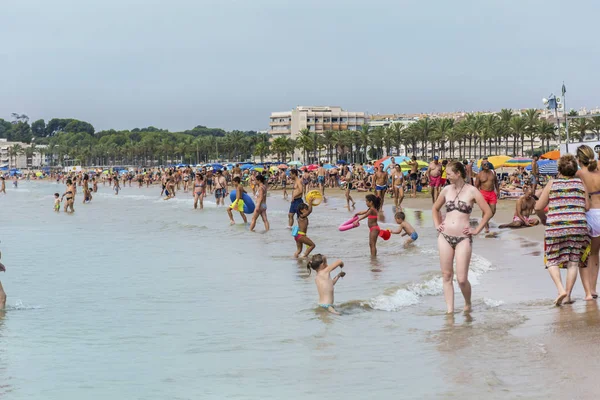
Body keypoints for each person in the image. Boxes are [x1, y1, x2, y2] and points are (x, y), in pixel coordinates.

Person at [433, 161, 492, 313]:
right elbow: (435, 208)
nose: (446, 176)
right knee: (446, 275)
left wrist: (477, 229)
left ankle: (467, 303)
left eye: (449, 173)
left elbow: (487, 212)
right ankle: (450, 311)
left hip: (463, 238)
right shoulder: (446, 190)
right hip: (444, 236)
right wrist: (437, 224)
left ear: (458, 173)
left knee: (461, 279)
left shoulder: (472, 191)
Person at [535, 154, 590, 306]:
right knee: (573, 262)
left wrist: (544, 219)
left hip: (556, 226)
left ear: (559, 169)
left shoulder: (552, 183)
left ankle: (560, 290)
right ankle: (568, 296)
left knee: (552, 260)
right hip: (578, 226)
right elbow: (586, 207)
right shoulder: (580, 184)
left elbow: (538, 207)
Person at [575, 145, 600, 300]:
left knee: (584, 255)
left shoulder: (579, 173)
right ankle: (594, 288)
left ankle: (588, 292)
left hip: (589, 215)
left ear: (579, 159)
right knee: (595, 253)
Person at [475, 160, 499, 233]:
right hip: (483, 193)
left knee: (493, 211)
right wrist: (476, 196)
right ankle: (486, 227)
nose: (486, 165)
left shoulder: (493, 173)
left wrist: (498, 191)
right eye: (485, 164)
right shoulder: (479, 175)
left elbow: (496, 182)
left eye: (487, 164)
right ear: (482, 166)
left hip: (492, 193)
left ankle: (484, 221)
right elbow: (476, 186)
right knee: (485, 211)